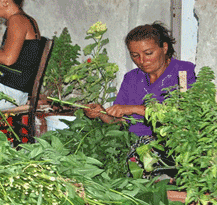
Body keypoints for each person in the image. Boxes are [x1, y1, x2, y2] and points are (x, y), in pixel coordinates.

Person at [84, 22, 196, 177]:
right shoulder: (131, 79)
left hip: (169, 148)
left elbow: (180, 116)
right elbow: (120, 122)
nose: (142, 60)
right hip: (132, 144)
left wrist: (132, 108)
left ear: (164, 48)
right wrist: (101, 113)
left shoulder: (183, 72)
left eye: (148, 53)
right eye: (135, 55)